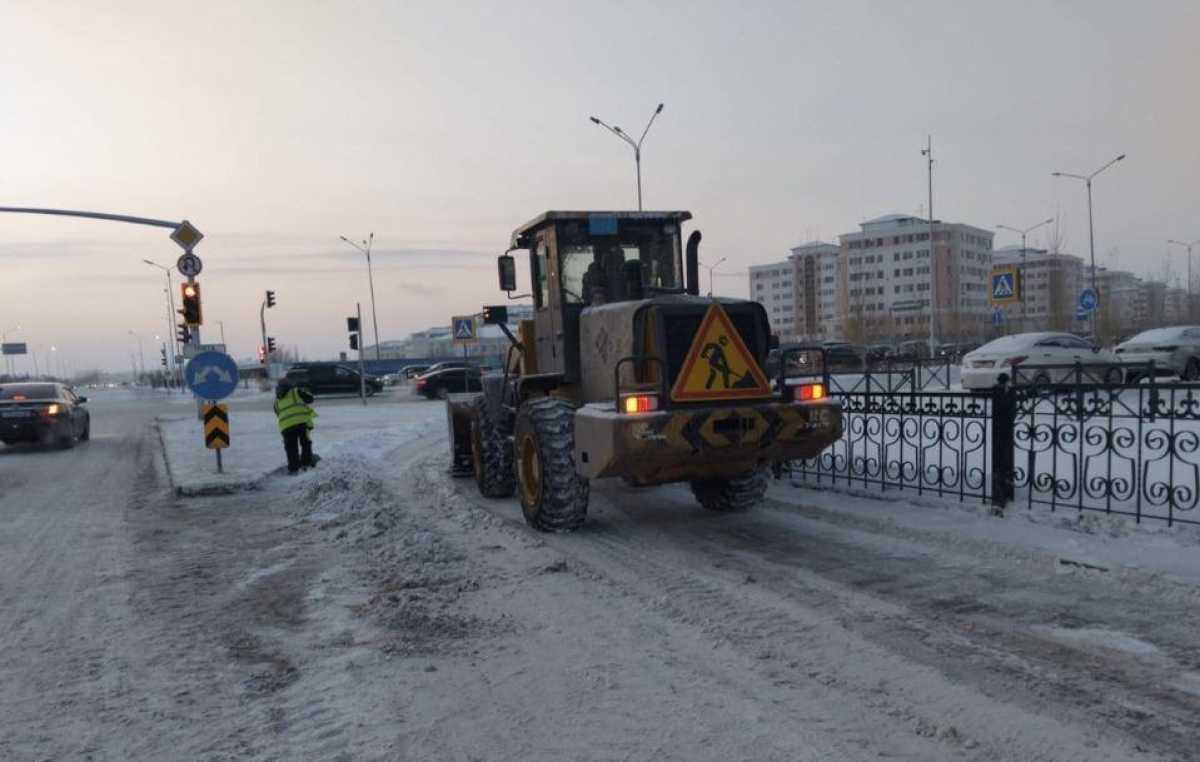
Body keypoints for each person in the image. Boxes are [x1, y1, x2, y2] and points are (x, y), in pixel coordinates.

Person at [274, 377, 316, 474]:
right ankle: (306, 464)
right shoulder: (296, 391)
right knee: (305, 443)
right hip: (301, 423)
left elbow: (277, 413)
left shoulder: (276, 401)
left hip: (286, 427)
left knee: (291, 448)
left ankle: (293, 469)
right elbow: (310, 399)